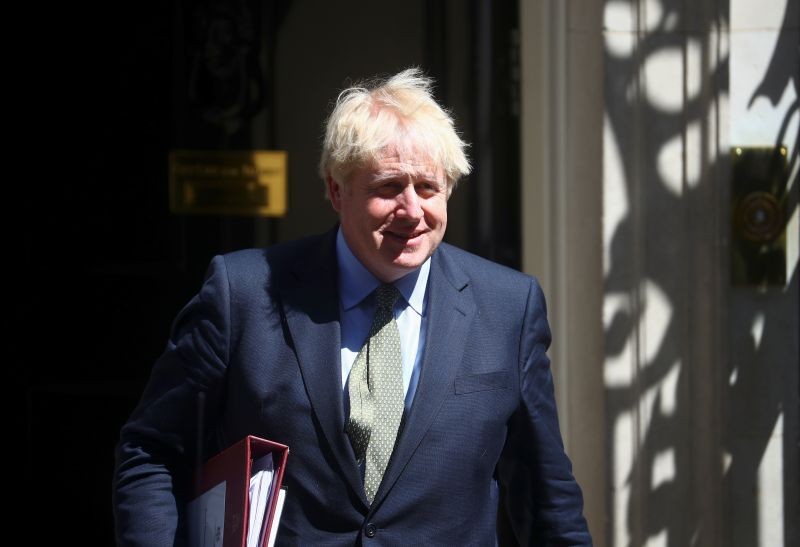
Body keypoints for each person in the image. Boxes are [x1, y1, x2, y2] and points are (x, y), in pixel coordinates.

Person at [113, 68, 592, 545]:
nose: (412, 210)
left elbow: (545, 491)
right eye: (388, 187)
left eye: (428, 187)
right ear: (336, 190)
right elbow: (151, 450)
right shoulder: (244, 292)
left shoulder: (508, 306)